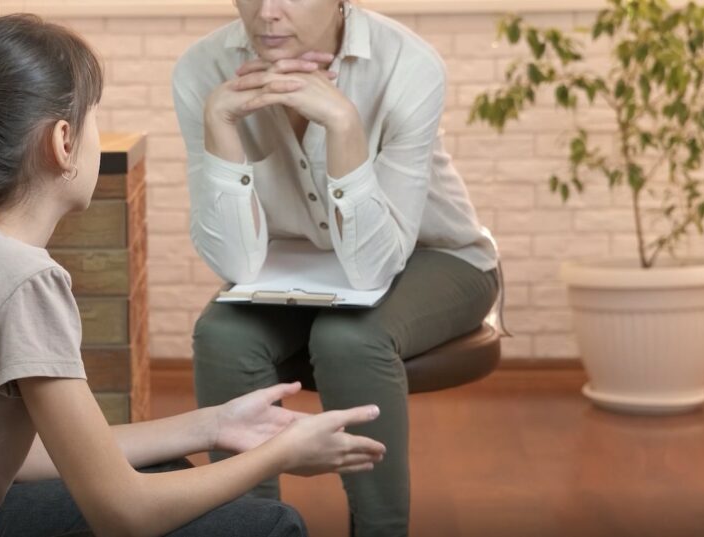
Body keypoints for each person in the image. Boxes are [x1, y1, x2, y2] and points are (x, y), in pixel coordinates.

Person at [0, 14, 388, 537]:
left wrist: (213, 423)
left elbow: (7, 455)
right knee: (270, 524)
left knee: (166, 465)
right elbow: (123, 514)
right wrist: (280, 455)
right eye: (95, 115)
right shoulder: (21, 277)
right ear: (62, 143)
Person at [172, 1, 501, 535]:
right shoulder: (201, 69)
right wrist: (220, 125)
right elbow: (236, 265)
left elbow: (373, 267)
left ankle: (380, 528)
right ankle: (247, 525)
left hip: (438, 256)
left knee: (349, 339)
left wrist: (344, 124)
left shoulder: (406, 64)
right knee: (222, 336)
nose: (267, 12)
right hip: (298, 265)